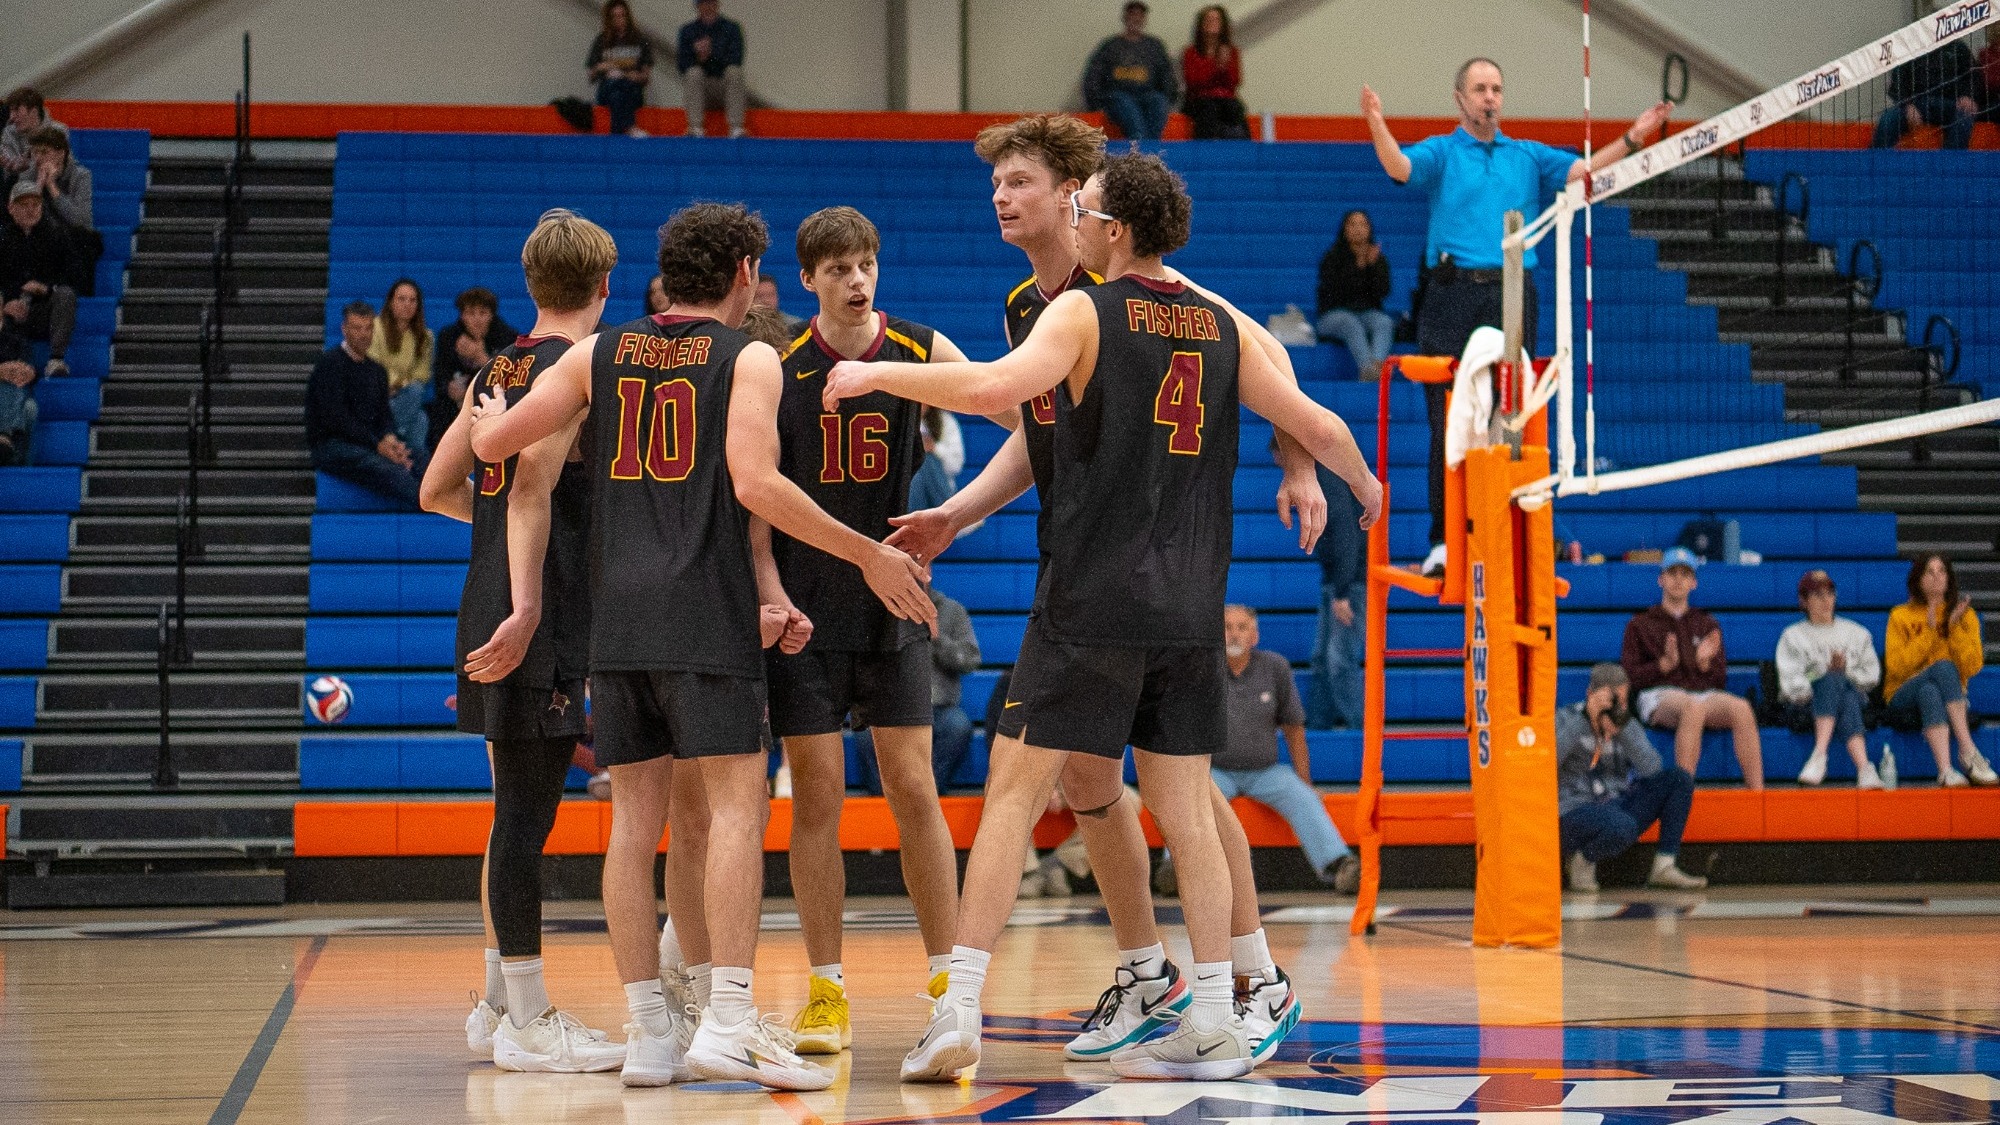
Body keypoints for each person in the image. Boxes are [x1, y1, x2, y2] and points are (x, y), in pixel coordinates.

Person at [825, 151, 1382, 1083]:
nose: (1052, 211)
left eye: (1066, 198)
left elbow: (998, 392)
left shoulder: (1083, 307)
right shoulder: (1204, 320)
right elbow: (1318, 418)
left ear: (1106, 224)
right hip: (1191, 600)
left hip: (1092, 594)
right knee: (1182, 807)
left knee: (1016, 789)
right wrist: (1358, 483)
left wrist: (884, 380)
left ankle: (960, 1002)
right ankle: (1207, 1009)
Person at [470, 201, 932, 1093]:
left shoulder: (600, 353)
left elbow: (497, 447)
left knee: (635, 823)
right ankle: (725, 1015)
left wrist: (490, 412)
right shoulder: (749, 355)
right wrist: (866, 550)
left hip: (615, 622)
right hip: (702, 612)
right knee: (733, 812)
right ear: (741, 276)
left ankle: (650, 1029)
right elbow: (757, 483)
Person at [948, 113, 1325, 1070]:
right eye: (998, 182)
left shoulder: (1132, 284)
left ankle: (1253, 973)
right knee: (1090, 779)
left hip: (1154, 568)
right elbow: (1033, 435)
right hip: (1081, 561)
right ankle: (1150, 973)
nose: (1002, 196)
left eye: (1021, 181)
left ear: (1079, 198)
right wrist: (957, 515)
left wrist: (1304, 469)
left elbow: (1267, 362)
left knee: (1182, 789)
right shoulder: (1025, 303)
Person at [757, 205, 968, 1055]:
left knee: (914, 789)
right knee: (817, 795)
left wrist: (952, 512)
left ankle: (952, 984)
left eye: (867, 263)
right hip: (810, 611)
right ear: (807, 279)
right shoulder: (779, 368)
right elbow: (756, 505)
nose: (857, 279)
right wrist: (771, 593)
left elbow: (1013, 405)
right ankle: (825, 991)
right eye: (838, 267)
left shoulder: (919, 350)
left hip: (897, 606)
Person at [420, 210, 622, 1074]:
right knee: (526, 817)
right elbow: (534, 482)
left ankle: (500, 1005)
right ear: (604, 288)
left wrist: (497, 534)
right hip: (532, 611)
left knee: (516, 811)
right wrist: (530, 595)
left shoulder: (494, 369)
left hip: (489, 595)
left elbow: (435, 489)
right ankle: (531, 1016)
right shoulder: (573, 368)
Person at [1363, 59, 1669, 575]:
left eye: (1497, 89)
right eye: (1480, 89)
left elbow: (1586, 173)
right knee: (1446, 419)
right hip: (1451, 294)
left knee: (1509, 416)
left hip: (1512, 293)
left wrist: (1634, 138)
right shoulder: (1443, 151)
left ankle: (1502, 533)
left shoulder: (1527, 156)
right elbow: (1399, 167)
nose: (1490, 97)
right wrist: (1376, 121)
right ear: (1460, 98)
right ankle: (1444, 540)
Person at [1206, 605, 1358, 892]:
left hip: (1266, 772)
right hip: (1216, 771)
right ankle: (1174, 867)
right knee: (1192, 802)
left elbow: (1294, 728)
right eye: (1227, 627)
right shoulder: (1201, 670)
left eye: (1242, 628)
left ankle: (1339, 865)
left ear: (1255, 636)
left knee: (1303, 798)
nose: (1234, 634)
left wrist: (1306, 781)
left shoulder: (1275, 667)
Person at [1620, 547, 1763, 789]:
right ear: (1661, 579)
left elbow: (1719, 680)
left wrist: (1704, 664)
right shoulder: (1640, 624)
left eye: (1685, 574)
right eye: (1672, 573)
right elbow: (1631, 677)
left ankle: (1759, 796)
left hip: (1700, 694)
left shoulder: (1707, 623)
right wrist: (1662, 666)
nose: (1678, 579)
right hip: (1657, 695)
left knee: (1742, 708)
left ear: (1694, 583)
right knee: (1693, 707)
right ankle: (1682, 796)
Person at [1557, 663, 1708, 893]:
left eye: (1622, 701)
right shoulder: (1566, 718)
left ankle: (1664, 866)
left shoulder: (1626, 724)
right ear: (1590, 694)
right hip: (1574, 810)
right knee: (1622, 824)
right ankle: (1583, 860)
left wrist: (1623, 730)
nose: (1617, 707)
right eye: (1612, 700)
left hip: (1616, 804)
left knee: (1679, 779)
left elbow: (1652, 769)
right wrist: (1585, 719)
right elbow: (1548, 761)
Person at [1883, 554, 1998, 787]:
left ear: (1949, 578)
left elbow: (1972, 666)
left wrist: (1953, 629)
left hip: (1942, 694)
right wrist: (1930, 631)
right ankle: (1968, 751)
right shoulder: (1900, 615)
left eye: (1941, 571)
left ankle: (1945, 770)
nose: (1936, 577)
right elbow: (1896, 668)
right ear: (1918, 579)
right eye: (1929, 572)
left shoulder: (1964, 616)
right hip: (1902, 692)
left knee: (1930, 691)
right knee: (1943, 668)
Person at [308, 301, 420, 509]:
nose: (364, 334)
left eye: (368, 328)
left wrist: (390, 439)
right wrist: (378, 446)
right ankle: (430, 509)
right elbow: (337, 420)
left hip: (369, 442)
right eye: (357, 328)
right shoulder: (329, 365)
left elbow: (384, 415)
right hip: (332, 445)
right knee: (386, 468)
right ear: (344, 329)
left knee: (418, 455)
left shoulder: (377, 370)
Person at [1778, 569, 1884, 789]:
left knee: (1840, 684)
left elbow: (1872, 676)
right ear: (1803, 601)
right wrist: (1821, 675)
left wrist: (1845, 673)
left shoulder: (1857, 633)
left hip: (1855, 697)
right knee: (1833, 682)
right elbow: (1791, 684)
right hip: (1808, 705)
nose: (1826, 600)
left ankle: (1819, 755)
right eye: (1817, 595)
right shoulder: (1792, 636)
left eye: (1830, 593)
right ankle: (1865, 768)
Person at [1, 180, 79, 379]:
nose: (30, 210)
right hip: (7, 313)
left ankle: (56, 360)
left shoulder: (57, 235)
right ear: (11, 208)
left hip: (41, 311)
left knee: (66, 295)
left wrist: (46, 289)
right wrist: (5, 305)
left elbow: (72, 275)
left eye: (35, 205)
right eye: (23, 205)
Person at [1307, 471, 1366, 729]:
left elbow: (1346, 533)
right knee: (1322, 658)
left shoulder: (1326, 479)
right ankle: (1318, 724)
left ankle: (1360, 727)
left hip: (1348, 584)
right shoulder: (1325, 477)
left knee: (1338, 659)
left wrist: (1342, 592)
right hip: (1338, 581)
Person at [429, 287, 517, 454]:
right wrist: (448, 387)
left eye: (482, 313)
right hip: (455, 405)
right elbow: (440, 374)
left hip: (496, 404)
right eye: (470, 313)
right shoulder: (448, 336)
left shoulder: (508, 337)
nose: (477, 319)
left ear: (491, 315)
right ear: (462, 315)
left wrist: (481, 357)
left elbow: (510, 380)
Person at [1083, 2, 1179, 142]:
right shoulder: (1110, 46)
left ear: (1145, 19)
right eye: (1132, 14)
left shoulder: (1155, 46)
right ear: (1125, 17)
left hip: (1147, 95)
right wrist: (1095, 104)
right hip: (1118, 96)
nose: (1136, 18)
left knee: (1158, 101)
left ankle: (1150, 148)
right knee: (1128, 110)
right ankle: (1142, 148)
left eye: (1140, 15)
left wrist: (1169, 97)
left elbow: (1166, 75)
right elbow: (1093, 75)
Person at [1315, 210, 1393, 379]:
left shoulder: (1377, 259)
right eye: (1353, 224)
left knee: (1384, 322)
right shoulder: (1332, 258)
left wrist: (1372, 268)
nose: (1358, 229)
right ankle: (1367, 369)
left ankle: (1377, 367)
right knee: (1350, 322)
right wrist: (1357, 267)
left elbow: (1382, 292)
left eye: (1363, 224)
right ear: (1345, 229)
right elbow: (1332, 294)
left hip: (1366, 314)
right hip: (1333, 315)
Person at [369, 278, 435, 468]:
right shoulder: (376, 328)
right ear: (391, 302)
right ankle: (409, 459)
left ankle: (395, 440)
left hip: (405, 396)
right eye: (401, 299)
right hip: (380, 396)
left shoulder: (425, 336)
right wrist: (395, 383)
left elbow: (422, 374)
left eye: (412, 300)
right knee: (419, 415)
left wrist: (398, 384)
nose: (407, 305)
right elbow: (373, 367)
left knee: (417, 399)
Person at [1872, 38, 1978, 150]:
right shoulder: (1908, 47)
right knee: (1888, 119)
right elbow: (1898, 81)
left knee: (1964, 118)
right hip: (1916, 104)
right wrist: (1907, 105)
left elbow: (1974, 77)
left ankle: (1950, 164)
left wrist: (1968, 96)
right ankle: (1874, 163)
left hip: (1950, 105)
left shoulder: (1958, 47)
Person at [927, 585, 981, 790]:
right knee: (865, 733)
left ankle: (931, 793)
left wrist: (938, 640)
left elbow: (970, 661)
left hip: (940, 707)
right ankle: (884, 804)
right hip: (896, 707)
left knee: (958, 726)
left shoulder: (952, 610)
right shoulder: (884, 608)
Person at [678, 0, 747, 139]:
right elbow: (682, 65)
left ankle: (736, 128)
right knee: (693, 73)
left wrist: (711, 54)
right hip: (701, 90)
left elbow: (736, 59)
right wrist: (698, 57)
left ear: (717, 4)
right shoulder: (687, 31)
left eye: (712, 3)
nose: (708, 7)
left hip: (724, 87)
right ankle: (695, 128)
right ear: (697, 6)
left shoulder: (732, 28)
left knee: (734, 72)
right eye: (704, 3)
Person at [588, 0, 655, 138]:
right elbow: (591, 75)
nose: (619, 20)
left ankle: (616, 134)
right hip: (607, 89)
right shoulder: (601, 40)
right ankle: (631, 127)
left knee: (619, 92)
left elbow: (646, 76)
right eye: (615, 16)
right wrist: (604, 67)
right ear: (609, 19)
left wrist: (635, 76)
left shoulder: (640, 39)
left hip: (632, 90)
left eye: (622, 15)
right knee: (614, 84)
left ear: (628, 16)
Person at [1181, 6, 1249, 140]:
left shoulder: (1232, 51)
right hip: (1199, 100)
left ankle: (1244, 153)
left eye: (1217, 19)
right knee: (1209, 108)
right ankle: (1205, 153)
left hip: (1226, 100)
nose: (1212, 22)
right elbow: (1193, 82)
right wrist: (1217, 67)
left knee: (1236, 108)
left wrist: (1223, 68)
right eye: (1209, 19)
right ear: (1201, 24)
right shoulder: (1191, 52)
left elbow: (1234, 82)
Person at [20, 127, 91, 231]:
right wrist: (38, 186)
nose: (38, 158)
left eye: (44, 152)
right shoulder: (27, 175)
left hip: (72, 238)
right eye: (35, 152)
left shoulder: (80, 176)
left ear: (61, 154)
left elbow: (80, 221)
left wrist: (51, 186)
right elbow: (23, 220)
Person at [0, 88, 64, 180]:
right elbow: (9, 170)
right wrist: (13, 168)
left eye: (17, 111)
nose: (12, 117)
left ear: (34, 111)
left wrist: (26, 166)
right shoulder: (8, 132)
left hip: (51, 183)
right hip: (18, 186)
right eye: (11, 111)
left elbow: (60, 169)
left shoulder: (59, 131)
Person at [0, 333, 36, 465]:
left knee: (30, 408)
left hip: (14, 394)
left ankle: (22, 467)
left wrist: (29, 372)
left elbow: (28, 369)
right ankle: (4, 436)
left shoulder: (15, 336)